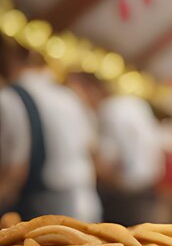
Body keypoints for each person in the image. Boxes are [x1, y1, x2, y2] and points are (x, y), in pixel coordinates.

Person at [0, 37, 101, 221]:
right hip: (87, 198)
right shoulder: (67, 95)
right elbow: (92, 151)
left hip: (44, 206)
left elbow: (16, 169)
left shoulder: (11, 98)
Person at [66, 72, 164, 226]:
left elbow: (112, 159)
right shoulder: (132, 103)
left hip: (124, 195)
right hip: (147, 187)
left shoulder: (108, 111)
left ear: (91, 89)